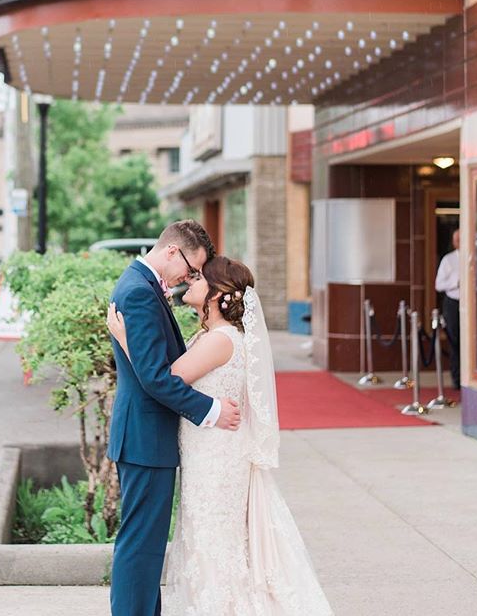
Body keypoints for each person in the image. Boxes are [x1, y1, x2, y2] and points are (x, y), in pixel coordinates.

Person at [108, 254, 334, 615]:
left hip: (216, 459)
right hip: (208, 452)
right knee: (212, 544)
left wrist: (125, 338)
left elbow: (163, 379)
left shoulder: (220, 340)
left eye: (199, 278)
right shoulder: (211, 336)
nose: (191, 281)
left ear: (215, 295)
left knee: (215, 546)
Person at [106, 221, 242, 616]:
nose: (190, 277)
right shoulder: (139, 293)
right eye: (190, 267)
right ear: (171, 252)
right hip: (145, 439)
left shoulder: (142, 287)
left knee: (145, 547)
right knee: (140, 547)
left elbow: (153, 368)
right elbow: (154, 378)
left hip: (147, 438)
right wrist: (211, 411)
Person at [435, 228, 460, 390]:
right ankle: (457, 378)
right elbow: (438, 285)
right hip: (453, 303)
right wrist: (455, 283)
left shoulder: (475, 258)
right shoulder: (448, 260)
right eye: (457, 239)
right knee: (455, 341)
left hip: (471, 305)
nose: (460, 242)